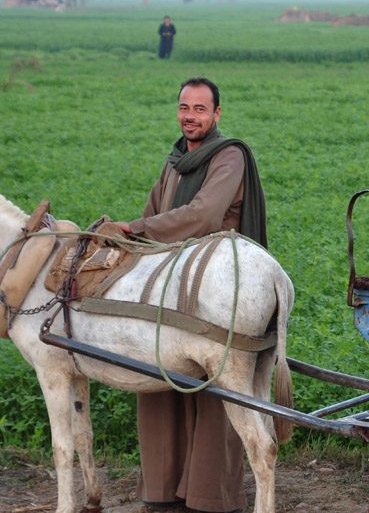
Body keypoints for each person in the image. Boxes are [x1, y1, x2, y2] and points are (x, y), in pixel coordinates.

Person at [113, 77, 267, 513]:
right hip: (169, 278)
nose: (190, 115)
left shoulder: (228, 155)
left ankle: (209, 498)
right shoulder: (175, 159)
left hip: (212, 284)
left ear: (216, 115)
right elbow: (152, 212)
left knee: (217, 385)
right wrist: (125, 238)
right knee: (157, 376)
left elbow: (204, 215)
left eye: (200, 109)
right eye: (184, 107)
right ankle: (162, 492)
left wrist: (140, 229)